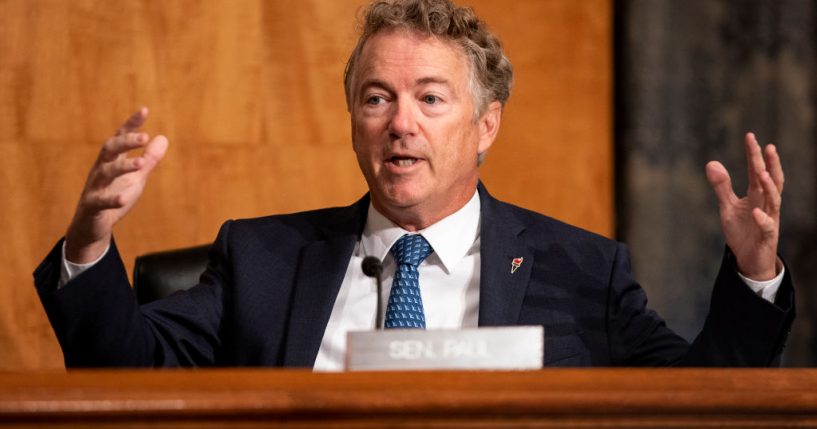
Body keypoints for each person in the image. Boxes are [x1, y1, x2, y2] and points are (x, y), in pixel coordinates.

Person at [35, 0, 793, 369]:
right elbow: (126, 370)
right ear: (353, 120)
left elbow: (699, 396)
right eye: (376, 99)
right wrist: (88, 244)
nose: (399, 123)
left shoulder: (584, 271)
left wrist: (754, 273)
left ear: (485, 125)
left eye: (430, 99)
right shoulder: (261, 258)